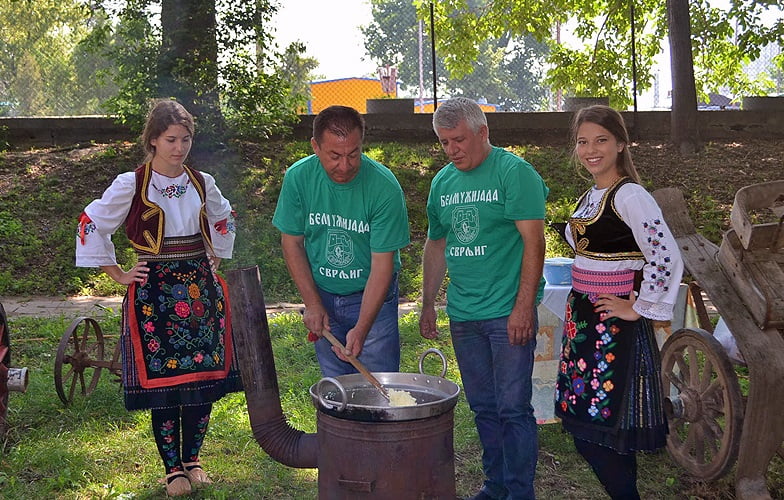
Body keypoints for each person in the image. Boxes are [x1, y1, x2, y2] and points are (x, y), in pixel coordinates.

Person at [75, 99, 241, 497]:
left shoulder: (202, 181)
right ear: (153, 140)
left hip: (200, 291)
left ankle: (193, 458)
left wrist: (216, 248)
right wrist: (117, 272)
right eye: (170, 139)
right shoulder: (133, 183)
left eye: (185, 139)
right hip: (154, 294)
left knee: (203, 375)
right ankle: (172, 469)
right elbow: (91, 222)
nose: (179, 147)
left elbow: (223, 216)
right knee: (165, 383)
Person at [420, 97, 549, 500]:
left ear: (482, 133)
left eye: (458, 140)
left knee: (513, 408)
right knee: (483, 408)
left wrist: (523, 306)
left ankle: (519, 491)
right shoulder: (442, 183)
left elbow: (535, 242)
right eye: (444, 142)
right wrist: (427, 303)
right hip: (464, 313)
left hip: (506, 312)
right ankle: (495, 486)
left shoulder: (515, 173)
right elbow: (436, 244)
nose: (452, 149)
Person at [554, 105, 684, 499]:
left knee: (602, 429)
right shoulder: (593, 195)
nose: (591, 149)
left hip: (611, 327)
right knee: (591, 428)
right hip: (585, 321)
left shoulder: (630, 195)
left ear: (621, 144)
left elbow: (665, 255)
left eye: (601, 140)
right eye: (582, 142)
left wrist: (637, 307)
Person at [272, 105, 410, 377]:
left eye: (353, 154)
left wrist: (362, 328)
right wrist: (312, 302)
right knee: (337, 390)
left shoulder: (383, 187)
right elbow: (292, 244)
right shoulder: (299, 178)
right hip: (323, 293)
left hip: (371, 298)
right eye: (334, 156)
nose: (344, 166)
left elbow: (382, 265)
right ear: (315, 146)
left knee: (379, 387)